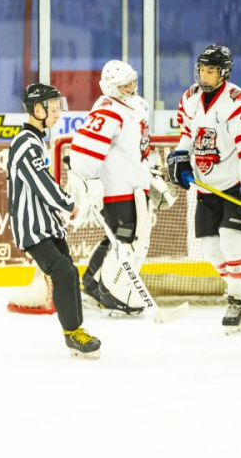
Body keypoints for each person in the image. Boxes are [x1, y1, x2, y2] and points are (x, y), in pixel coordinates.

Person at [166, 45, 241, 335]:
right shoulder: (190, 98)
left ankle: (238, 300)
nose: (204, 76)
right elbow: (187, 134)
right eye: (201, 69)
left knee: (232, 240)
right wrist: (181, 157)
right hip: (207, 186)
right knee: (210, 247)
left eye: (210, 70)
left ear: (224, 73)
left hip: (235, 185)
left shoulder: (238, 101)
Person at [7, 83, 100, 359]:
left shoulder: (36, 140)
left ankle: (77, 331)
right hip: (32, 229)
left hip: (46, 225)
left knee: (69, 273)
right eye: (54, 108)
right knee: (64, 273)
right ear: (38, 109)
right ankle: (73, 335)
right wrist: (68, 204)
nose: (59, 113)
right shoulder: (25, 142)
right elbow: (42, 184)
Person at [70, 60, 170, 318]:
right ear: (109, 87)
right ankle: (114, 294)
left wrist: (151, 172)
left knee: (115, 237)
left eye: (132, 81)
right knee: (126, 239)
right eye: (124, 84)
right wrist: (87, 183)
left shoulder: (137, 105)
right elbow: (83, 149)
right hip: (118, 189)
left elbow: (139, 147)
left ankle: (91, 285)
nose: (130, 86)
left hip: (134, 186)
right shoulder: (107, 110)